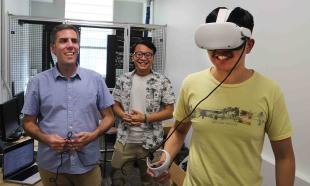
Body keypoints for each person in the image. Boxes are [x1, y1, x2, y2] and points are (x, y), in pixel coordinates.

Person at [148, 7, 295, 186]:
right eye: (213, 43)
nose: (220, 52)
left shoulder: (270, 91)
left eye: (228, 43)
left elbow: (284, 156)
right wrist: (166, 159)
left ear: (248, 45)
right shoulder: (191, 83)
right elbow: (179, 130)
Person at [22, 24, 115, 186]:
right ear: (53, 48)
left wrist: (93, 135)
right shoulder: (37, 82)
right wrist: (46, 138)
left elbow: (109, 117)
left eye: (74, 41)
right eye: (64, 41)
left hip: (88, 165)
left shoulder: (96, 80)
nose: (70, 45)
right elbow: (28, 123)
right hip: (52, 165)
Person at [111, 39, 175, 185]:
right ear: (133, 57)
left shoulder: (162, 81)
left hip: (152, 141)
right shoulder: (123, 79)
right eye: (139, 54)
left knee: (152, 180)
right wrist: (122, 115)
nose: (143, 58)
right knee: (117, 177)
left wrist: (145, 118)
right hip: (125, 139)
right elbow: (115, 105)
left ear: (152, 58)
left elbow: (169, 112)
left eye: (148, 55)